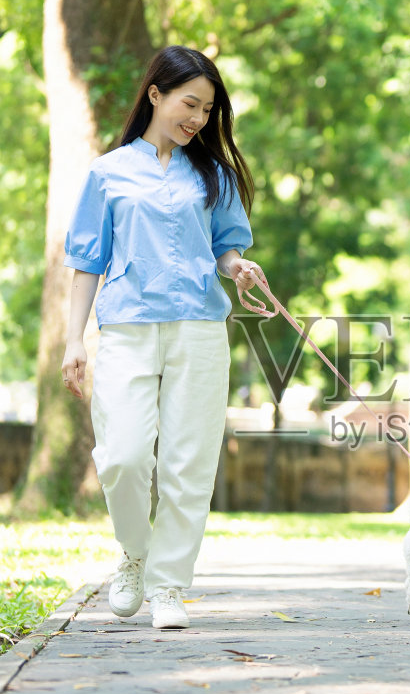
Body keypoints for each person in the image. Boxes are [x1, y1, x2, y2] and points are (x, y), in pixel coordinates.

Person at [59, 45, 265, 631]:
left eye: (207, 109)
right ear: (156, 94)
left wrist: (238, 268)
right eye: (189, 103)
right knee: (122, 457)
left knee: (188, 464)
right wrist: (74, 340)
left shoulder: (214, 175)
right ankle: (134, 553)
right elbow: (86, 259)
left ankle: (168, 585)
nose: (198, 118)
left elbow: (226, 245)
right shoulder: (108, 173)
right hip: (125, 327)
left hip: (199, 327)